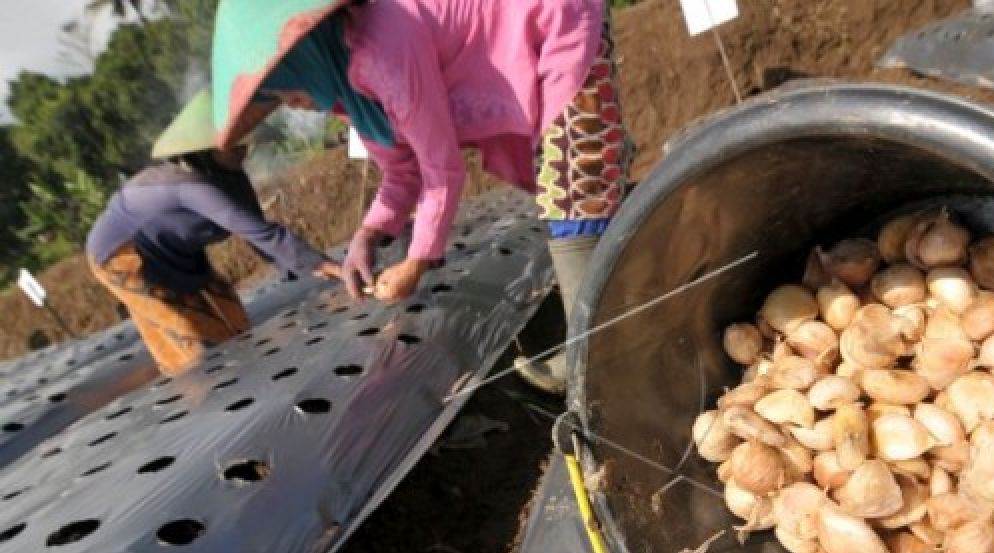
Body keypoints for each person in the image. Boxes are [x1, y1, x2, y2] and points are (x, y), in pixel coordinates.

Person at [211, 0, 631, 393]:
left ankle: (594, 358)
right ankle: (645, 288)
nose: (293, 105)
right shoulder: (352, 94)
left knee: (575, 184)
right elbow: (400, 172)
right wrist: (368, 235)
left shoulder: (384, 49)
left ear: (305, 56)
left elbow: (442, 169)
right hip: (533, 43)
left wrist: (416, 261)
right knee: (582, 192)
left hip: (557, 20)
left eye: (288, 90)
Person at [86, 89, 341, 376]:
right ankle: (202, 395)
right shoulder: (188, 186)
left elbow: (254, 228)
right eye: (234, 145)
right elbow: (265, 234)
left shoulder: (230, 176)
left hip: (178, 252)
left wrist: (301, 270)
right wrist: (327, 265)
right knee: (191, 339)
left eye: (245, 144)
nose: (243, 151)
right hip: (124, 256)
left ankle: (248, 375)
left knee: (231, 318)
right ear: (206, 149)